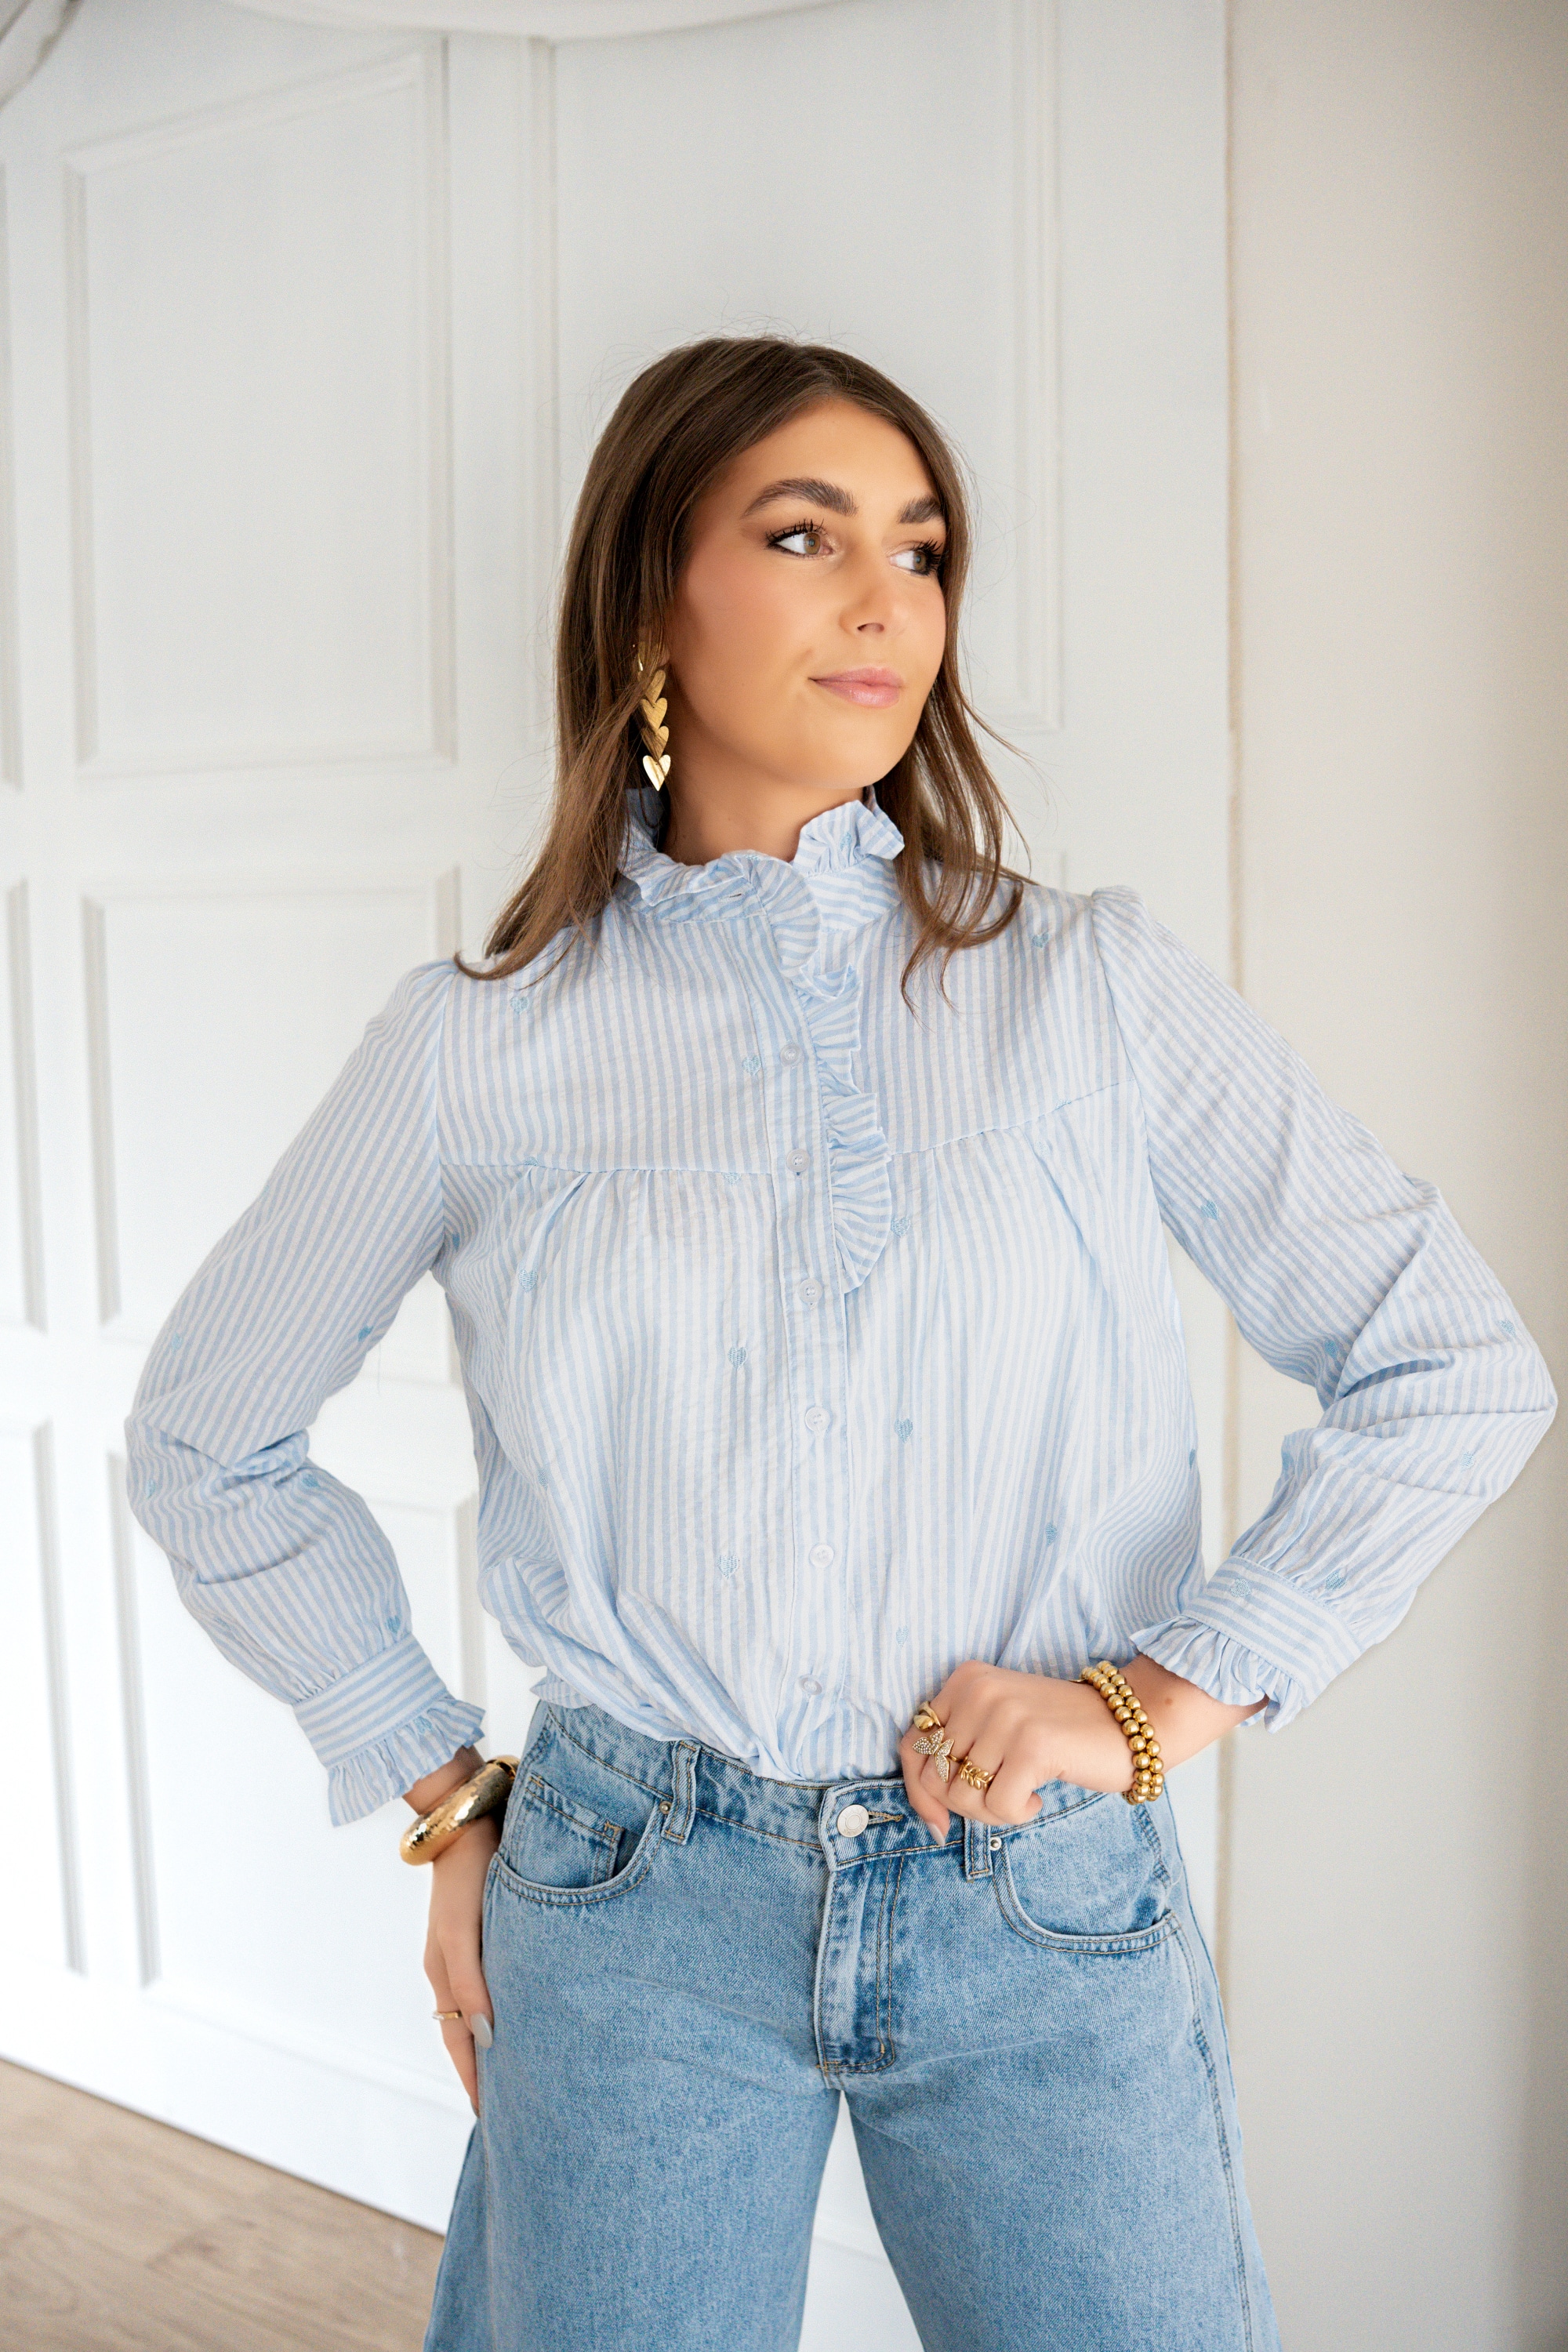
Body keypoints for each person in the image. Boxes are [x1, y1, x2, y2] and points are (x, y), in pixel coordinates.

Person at [125, 336, 1555, 2352]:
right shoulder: (479, 1045)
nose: (887, 597)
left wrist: (1158, 1701)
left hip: (1040, 1898)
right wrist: (437, 1791)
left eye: (922, 546)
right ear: (649, 598)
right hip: (632, 1909)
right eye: (807, 537)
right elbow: (206, 1438)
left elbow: (1453, 1364)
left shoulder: (1087, 990)